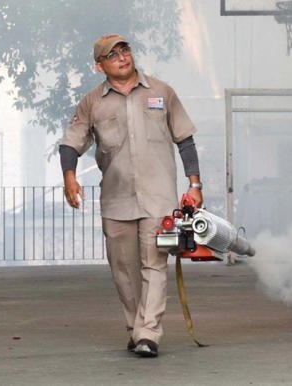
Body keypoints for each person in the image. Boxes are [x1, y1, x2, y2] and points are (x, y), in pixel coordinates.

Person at [59, 33, 203, 358]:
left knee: (154, 264)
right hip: (116, 198)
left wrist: (195, 185)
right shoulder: (92, 102)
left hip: (159, 198)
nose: (122, 57)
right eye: (113, 55)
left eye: (125, 50)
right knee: (123, 270)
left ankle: (148, 334)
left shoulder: (162, 92)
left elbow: (185, 139)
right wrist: (69, 176)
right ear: (100, 66)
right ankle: (135, 329)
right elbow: (70, 142)